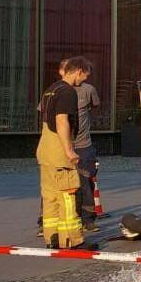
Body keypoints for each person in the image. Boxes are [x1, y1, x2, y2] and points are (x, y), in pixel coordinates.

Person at [36, 57, 91, 248]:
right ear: (78, 71)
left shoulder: (51, 89)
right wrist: (69, 150)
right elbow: (61, 121)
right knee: (68, 196)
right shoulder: (68, 92)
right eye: (84, 76)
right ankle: (73, 240)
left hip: (45, 149)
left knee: (50, 197)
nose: (84, 80)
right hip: (59, 150)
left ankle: (52, 238)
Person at [72, 64, 101, 232]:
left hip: (84, 144)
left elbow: (95, 107)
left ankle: (89, 219)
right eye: (85, 75)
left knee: (86, 181)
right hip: (67, 144)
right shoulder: (58, 91)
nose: (86, 79)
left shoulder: (88, 90)